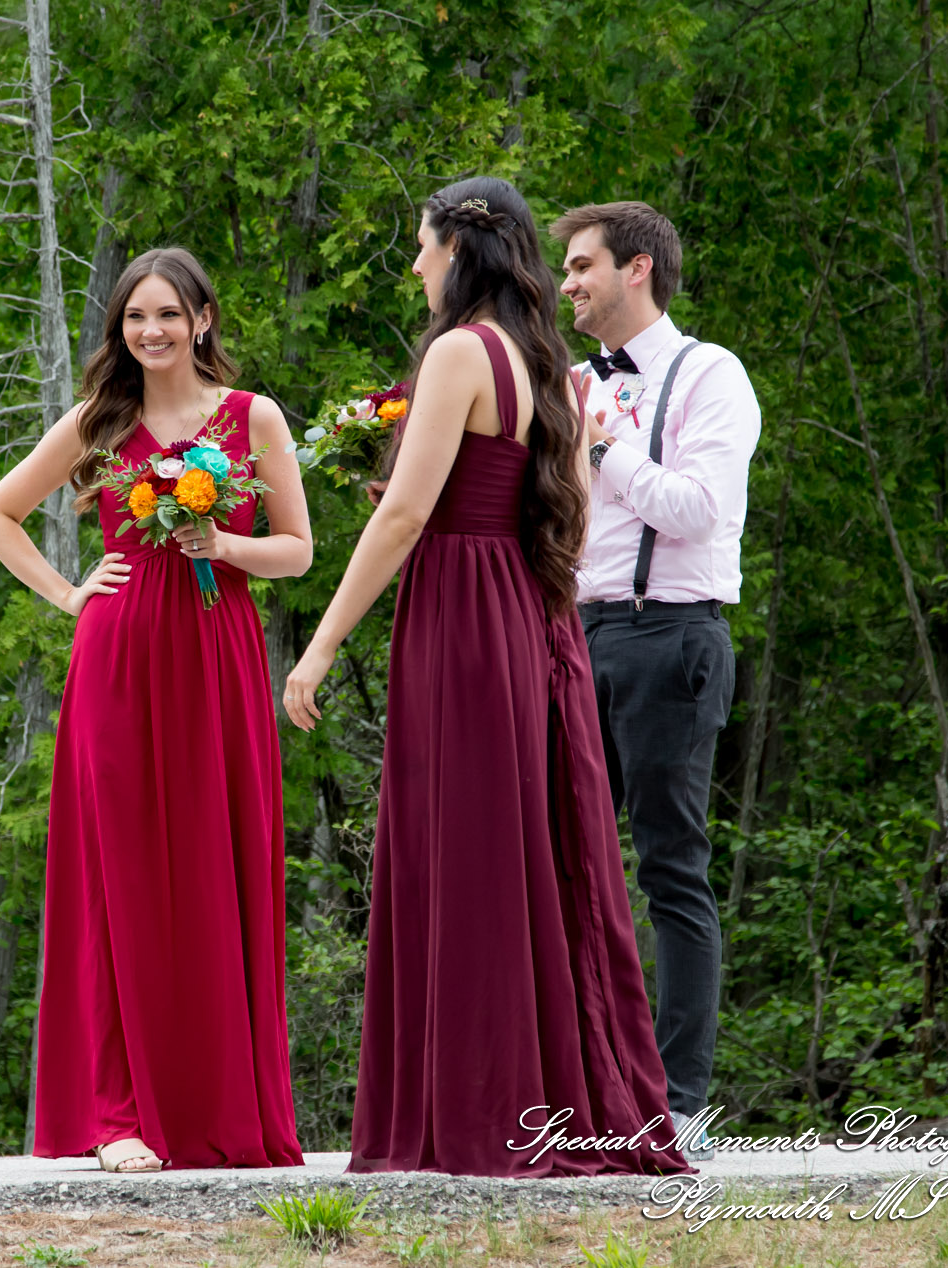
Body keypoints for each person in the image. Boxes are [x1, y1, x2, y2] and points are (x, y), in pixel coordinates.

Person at [283, 177, 691, 1178]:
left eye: (423, 248)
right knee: (520, 855)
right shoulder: (548, 362)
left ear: (463, 252)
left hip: (460, 620)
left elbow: (405, 517)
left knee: (461, 857)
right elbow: (569, 513)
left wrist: (324, 642)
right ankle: (537, 1099)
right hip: (525, 613)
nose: (416, 267)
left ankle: (470, 1113)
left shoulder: (461, 352)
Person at [0, 247, 311, 1173]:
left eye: (168, 315)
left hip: (217, 656)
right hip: (120, 657)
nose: (150, 332)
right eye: (134, 318)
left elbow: (299, 551)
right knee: (119, 876)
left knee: (214, 863)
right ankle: (121, 1115)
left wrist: (224, 543)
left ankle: (217, 1105)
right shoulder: (99, 421)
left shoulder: (254, 417)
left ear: (203, 318)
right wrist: (70, 594)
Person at [550, 201, 761, 1155]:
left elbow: (699, 512)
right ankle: (579, 1088)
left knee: (671, 865)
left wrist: (607, 449)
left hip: (672, 636)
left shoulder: (708, 374)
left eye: (583, 265)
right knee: (559, 865)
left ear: (637, 268)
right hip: (573, 638)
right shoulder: (566, 381)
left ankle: (680, 1102)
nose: (567, 284)